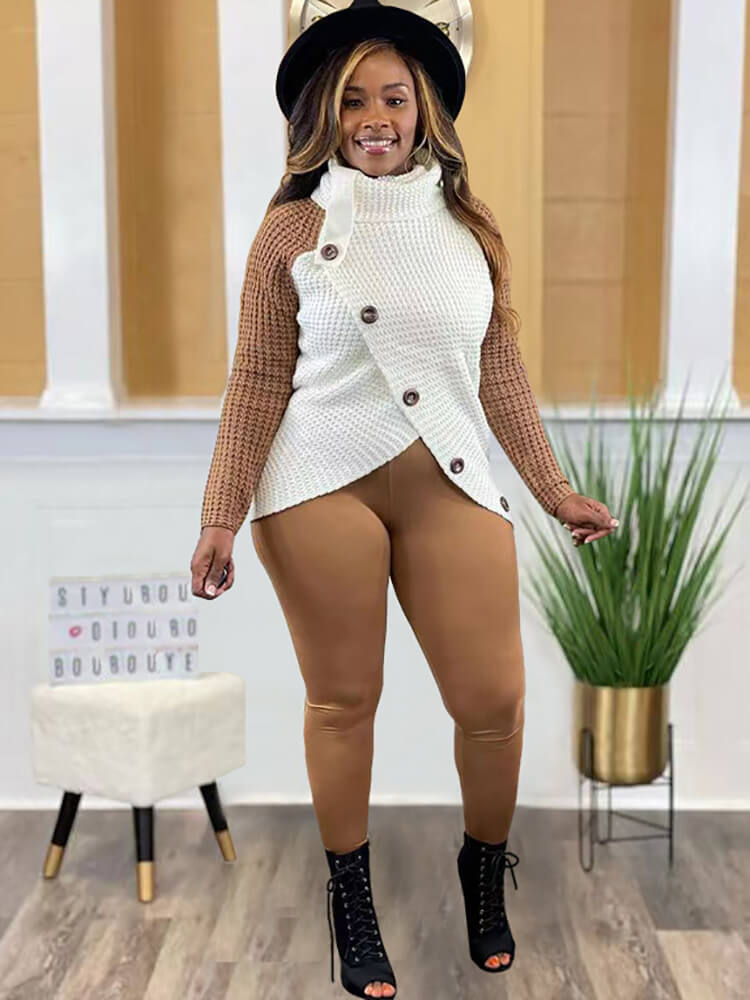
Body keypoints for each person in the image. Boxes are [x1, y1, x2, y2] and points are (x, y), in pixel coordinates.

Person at [190, 2, 618, 997]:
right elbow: (256, 378)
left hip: (449, 482)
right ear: (324, 117)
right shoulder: (291, 230)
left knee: (493, 701)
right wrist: (219, 514)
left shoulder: (470, 227)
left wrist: (554, 490)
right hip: (316, 481)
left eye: (393, 98)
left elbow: (500, 369)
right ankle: (351, 901)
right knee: (345, 702)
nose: (374, 117)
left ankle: (483, 874)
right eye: (352, 101)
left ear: (425, 111)